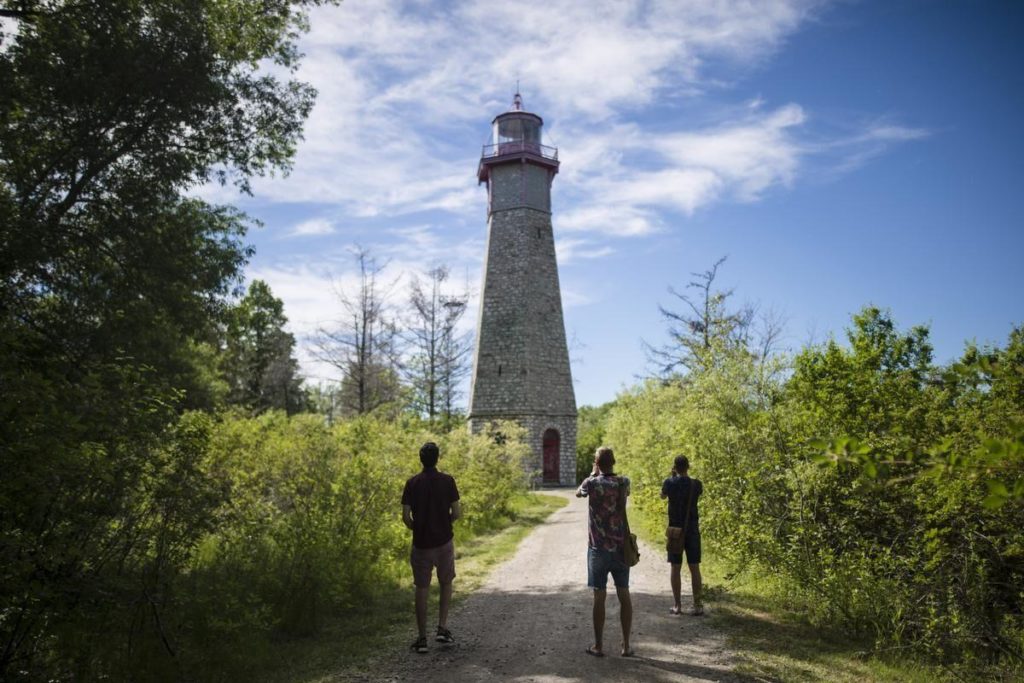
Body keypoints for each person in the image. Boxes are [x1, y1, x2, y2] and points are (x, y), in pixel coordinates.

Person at [401, 441, 461, 654]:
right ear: (437, 458)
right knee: (446, 583)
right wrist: (445, 524)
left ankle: (422, 638)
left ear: (421, 458)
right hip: (444, 542)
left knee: (422, 588)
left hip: (421, 544)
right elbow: (457, 512)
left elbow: (406, 517)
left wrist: (418, 528)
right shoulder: (448, 481)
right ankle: (442, 629)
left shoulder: (412, 483)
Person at [576, 446, 634, 657]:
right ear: (614, 462)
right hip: (620, 548)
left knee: (599, 597)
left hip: (598, 549)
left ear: (597, 463)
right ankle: (626, 646)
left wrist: (593, 473)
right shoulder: (623, 482)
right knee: (624, 594)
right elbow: (624, 495)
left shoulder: (591, 483)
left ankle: (599, 645)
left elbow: (578, 494)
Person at [661, 454, 703, 616]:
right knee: (694, 568)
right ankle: (698, 605)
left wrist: (672, 477)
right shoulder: (696, 484)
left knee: (675, 567)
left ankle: (678, 605)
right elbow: (697, 494)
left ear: (675, 467)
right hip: (692, 529)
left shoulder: (669, 483)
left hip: (675, 532)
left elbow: (663, 496)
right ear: (688, 466)